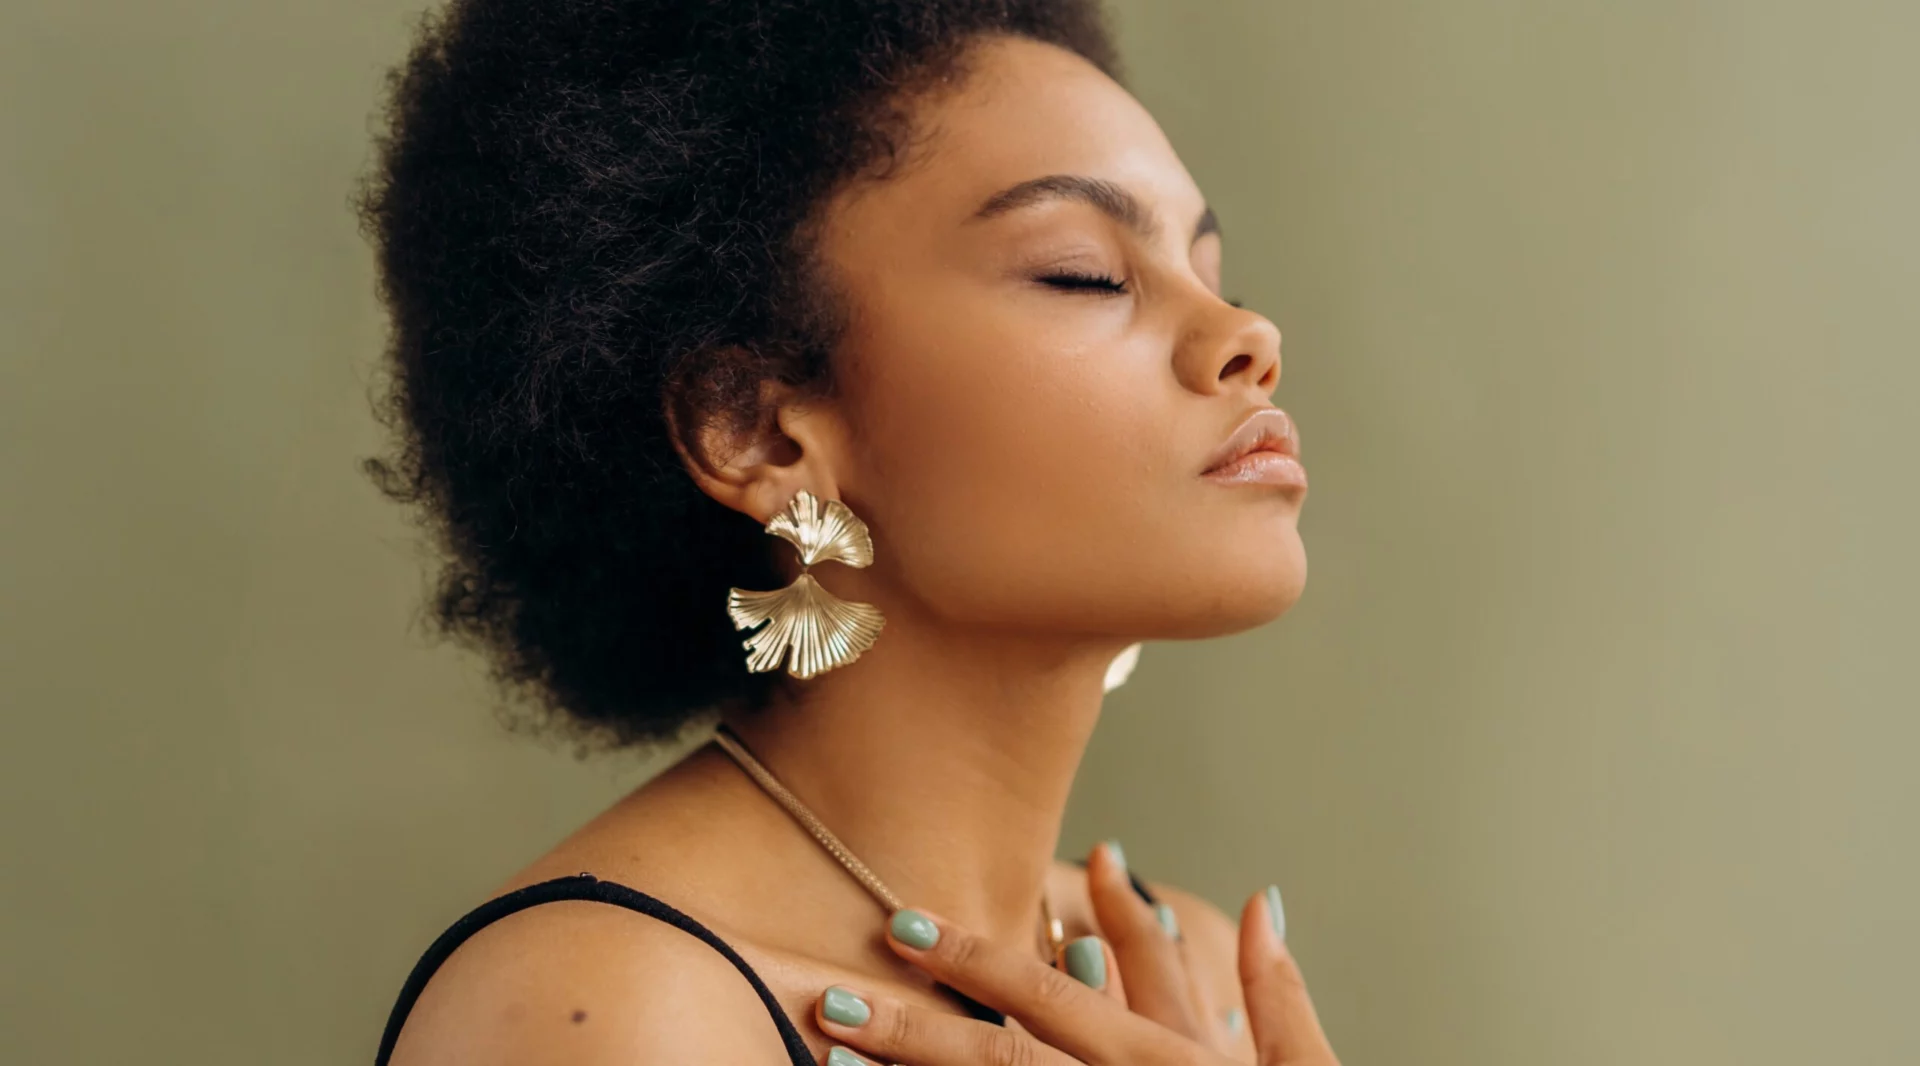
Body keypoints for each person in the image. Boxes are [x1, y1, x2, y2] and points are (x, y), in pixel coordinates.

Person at [356, 1, 1331, 1062]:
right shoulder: (608, 1004)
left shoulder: (1187, 981)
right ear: (759, 430)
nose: (1248, 336)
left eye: (1212, 271)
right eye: (1083, 273)